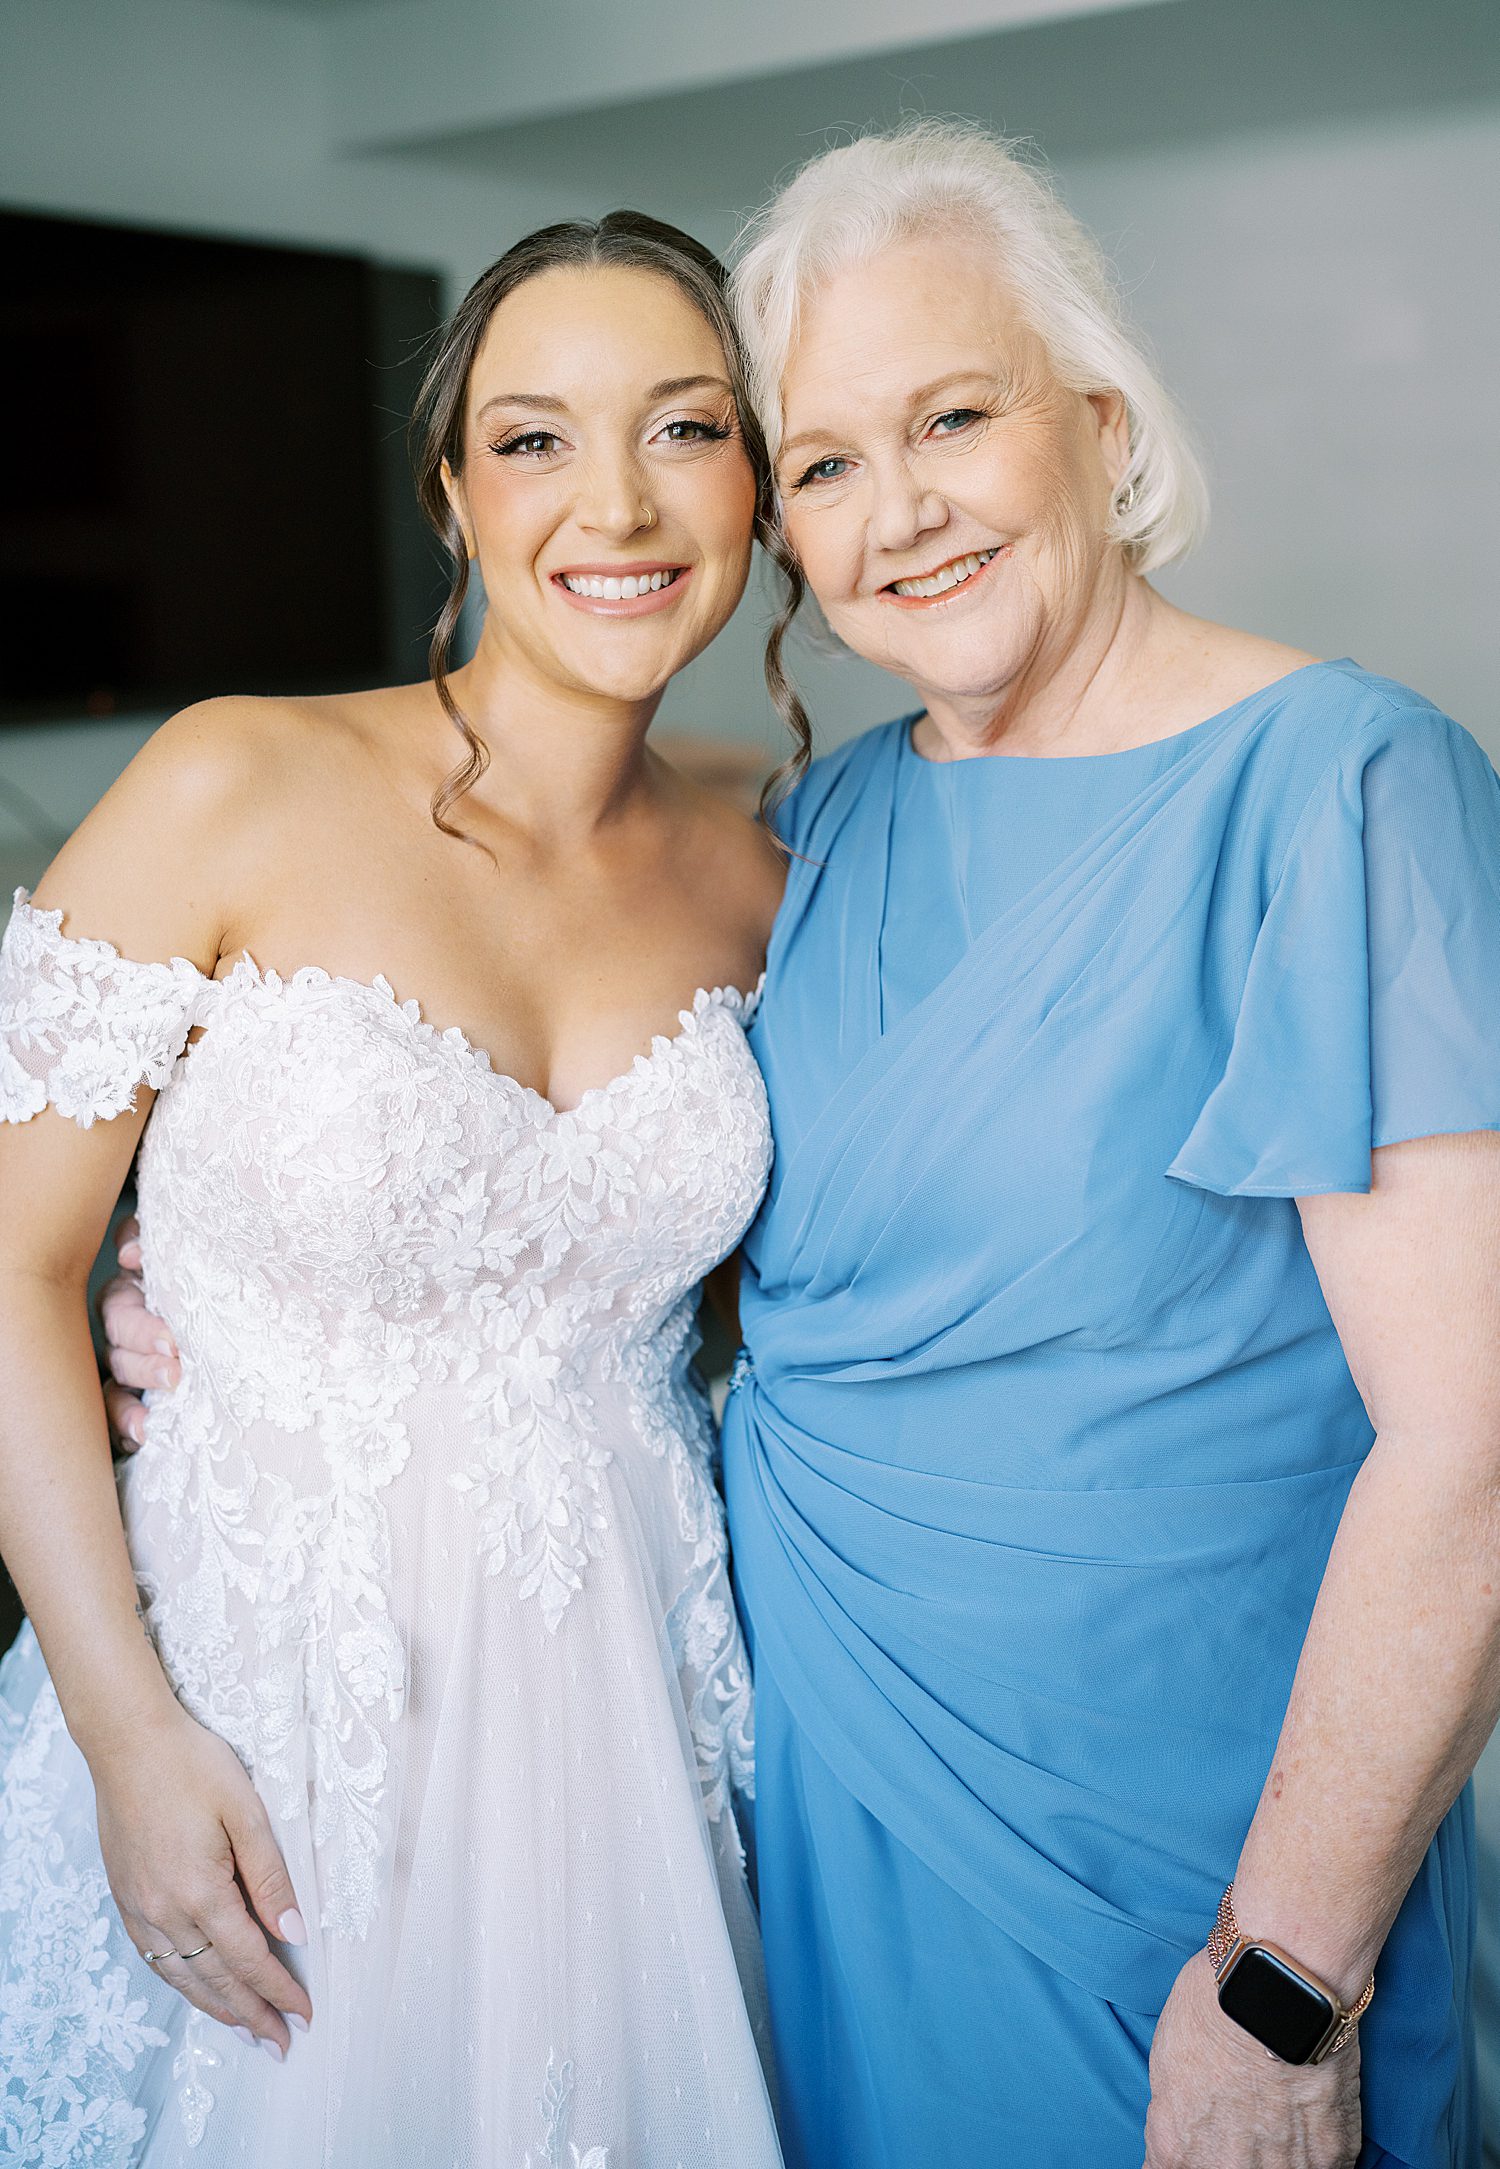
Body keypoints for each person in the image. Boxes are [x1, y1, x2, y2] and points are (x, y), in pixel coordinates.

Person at [713, 121, 1500, 2168]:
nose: (901, 510)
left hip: (1196, 1900)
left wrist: (1282, 1981)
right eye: (825, 462)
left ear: (1102, 421)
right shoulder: (809, 832)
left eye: (952, 418)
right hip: (838, 1826)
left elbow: (1476, 1446)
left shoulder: (1344, 786)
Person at [0, 212, 789, 2167]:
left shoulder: (777, 877)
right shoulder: (229, 785)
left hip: (638, 1724)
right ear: (452, 493)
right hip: (253, 1718)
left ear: (761, 483)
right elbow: (8, 1256)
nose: (616, 501)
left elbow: (771, 1303)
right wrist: (125, 1731)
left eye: (685, 427)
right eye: (534, 439)